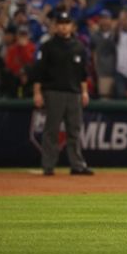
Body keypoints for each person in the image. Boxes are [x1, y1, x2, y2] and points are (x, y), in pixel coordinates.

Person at [31, 10, 94, 176]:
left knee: (74, 130)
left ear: (72, 26)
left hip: (74, 93)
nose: (64, 27)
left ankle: (77, 165)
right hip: (54, 92)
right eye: (60, 24)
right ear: (55, 26)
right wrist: (37, 93)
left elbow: (83, 74)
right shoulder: (48, 46)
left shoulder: (79, 47)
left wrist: (85, 92)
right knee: (51, 130)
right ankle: (48, 166)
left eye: (66, 24)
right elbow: (39, 72)